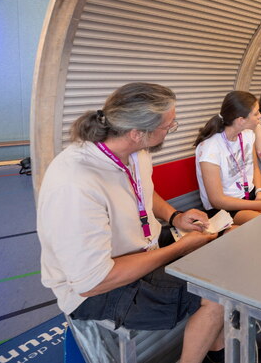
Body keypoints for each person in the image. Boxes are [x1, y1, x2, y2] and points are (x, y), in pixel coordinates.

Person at [37, 83, 235, 363]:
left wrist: (175, 217)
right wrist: (179, 249)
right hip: (95, 289)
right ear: (137, 133)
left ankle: (217, 350)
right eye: (169, 125)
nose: (171, 128)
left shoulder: (135, 152)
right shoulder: (75, 183)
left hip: (141, 249)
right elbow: (92, 282)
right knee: (217, 295)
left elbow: (142, 191)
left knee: (220, 252)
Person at [194, 91, 261, 225]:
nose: (260, 116)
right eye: (256, 113)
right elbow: (216, 200)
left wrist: (260, 191)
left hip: (251, 194)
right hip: (226, 207)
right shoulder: (210, 148)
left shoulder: (248, 135)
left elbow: (254, 167)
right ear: (241, 120)